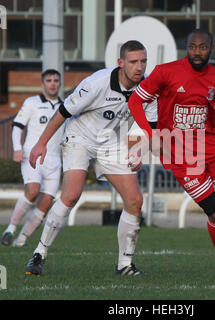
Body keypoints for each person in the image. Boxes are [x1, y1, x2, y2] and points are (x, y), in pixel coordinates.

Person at [128, 29, 215, 287]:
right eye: (192, 46)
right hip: (180, 154)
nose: (196, 51)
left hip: (212, 147)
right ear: (187, 48)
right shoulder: (165, 72)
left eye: (202, 47)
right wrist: (151, 135)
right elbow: (135, 102)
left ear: (211, 49)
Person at [25, 40, 157, 276]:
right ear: (120, 63)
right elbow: (64, 112)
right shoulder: (97, 82)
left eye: (143, 61)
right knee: (71, 195)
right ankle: (39, 253)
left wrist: (140, 151)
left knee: (135, 200)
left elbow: (149, 126)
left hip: (112, 142)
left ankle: (124, 265)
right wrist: (41, 143)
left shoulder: (148, 88)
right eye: (133, 61)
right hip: (80, 137)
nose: (139, 67)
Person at [1, 69, 64, 247]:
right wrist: (17, 148)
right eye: (49, 80)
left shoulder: (65, 105)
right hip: (32, 156)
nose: (53, 83)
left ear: (59, 84)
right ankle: (11, 229)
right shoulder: (32, 103)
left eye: (56, 80)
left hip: (54, 161)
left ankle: (20, 240)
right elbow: (17, 126)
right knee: (33, 191)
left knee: (45, 205)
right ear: (43, 84)